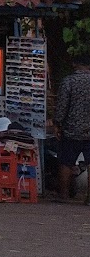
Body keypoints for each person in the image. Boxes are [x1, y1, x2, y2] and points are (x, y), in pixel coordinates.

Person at [53, 58, 90, 200]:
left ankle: (64, 195)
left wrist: (57, 123)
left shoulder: (68, 81)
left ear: (75, 64)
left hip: (71, 129)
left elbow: (62, 105)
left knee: (66, 162)